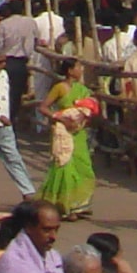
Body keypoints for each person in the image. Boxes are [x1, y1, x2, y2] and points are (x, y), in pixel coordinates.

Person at [0, 53, 39, 209]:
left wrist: (7, 117)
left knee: (14, 157)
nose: (3, 64)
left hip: (5, 124)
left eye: (4, 61)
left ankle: (28, 190)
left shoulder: (4, 75)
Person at [42, 65, 103, 221]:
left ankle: (79, 205)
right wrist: (59, 118)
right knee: (65, 167)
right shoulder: (59, 88)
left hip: (79, 134)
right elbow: (43, 107)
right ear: (69, 71)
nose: (81, 70)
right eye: (78, 67)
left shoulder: (82, 89)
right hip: (64, 133)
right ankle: (65, 207)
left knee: (84, 167)